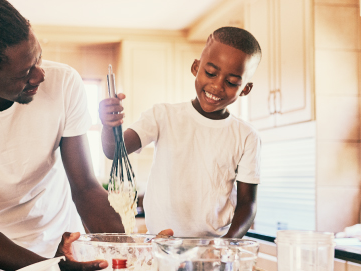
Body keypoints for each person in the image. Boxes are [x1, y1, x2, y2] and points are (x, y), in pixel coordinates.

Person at [0, 0, 125, 270]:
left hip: (61, 248)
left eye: (37, 57)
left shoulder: (64, 83)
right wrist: (50, 269)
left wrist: (125, 249)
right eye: (25, 73)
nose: (40, 75)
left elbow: (85, 187)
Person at [99, 26, 262, 239]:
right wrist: (109, 124)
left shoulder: (247, 136)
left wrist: (226, 245)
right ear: (196, 67)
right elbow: (114, 150)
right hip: (161, 243)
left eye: (231, 82)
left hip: (212, 250)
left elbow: (247, 204)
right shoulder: (162, 115)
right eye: (210, 73)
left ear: (246, 89)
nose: (217, 86)